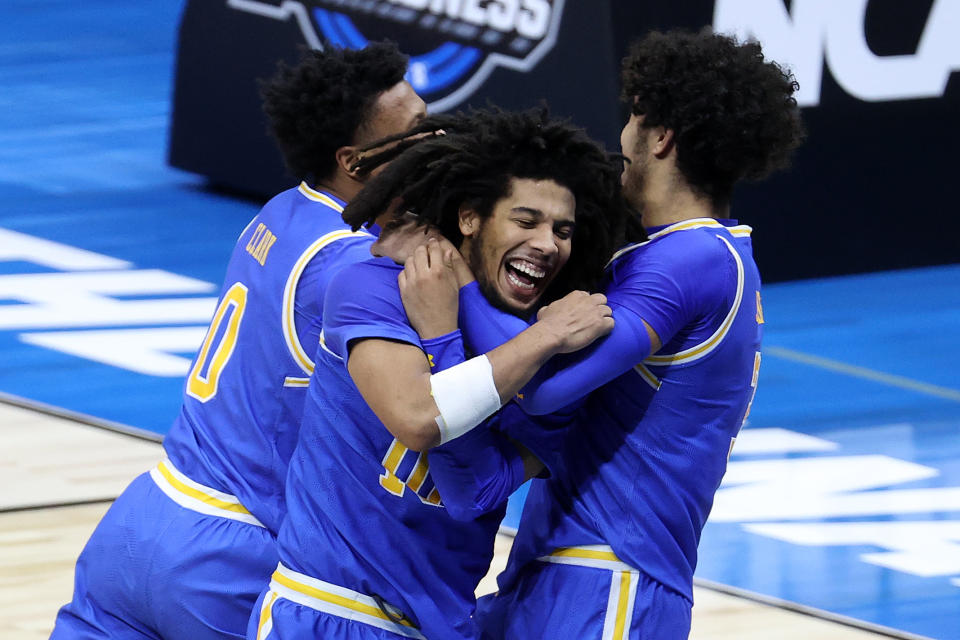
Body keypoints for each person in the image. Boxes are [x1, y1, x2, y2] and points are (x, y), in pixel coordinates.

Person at [401, 29, 805, 639]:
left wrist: (456, 277)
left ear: (661, 135)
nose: (622, 136)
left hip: (614, 579)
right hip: (573, 569)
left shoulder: (690, 261)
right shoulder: (693, 255)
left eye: (633, 116)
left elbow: (544, 386)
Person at [51, 42, 426, 640]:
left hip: (145, 514)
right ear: (354, 162)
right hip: (232, 552)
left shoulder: (281, 211)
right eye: (416, 133)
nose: (434, 143)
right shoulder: (352, 269)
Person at [247, 108, 633, 640]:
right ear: (471, 217)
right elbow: (419, 418)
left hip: (437, 628)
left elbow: (474, 493)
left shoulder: (559, 369)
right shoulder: (375, 287)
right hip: (327, 610)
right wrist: (529, 338)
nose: (548, 243)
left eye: (562, 230)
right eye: (526, 221)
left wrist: (453, 338)